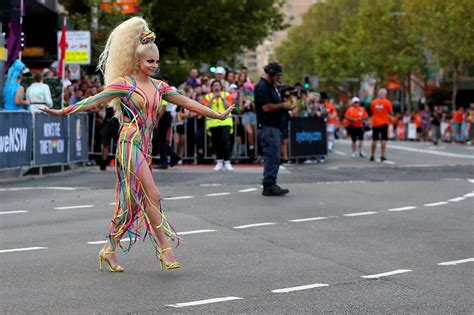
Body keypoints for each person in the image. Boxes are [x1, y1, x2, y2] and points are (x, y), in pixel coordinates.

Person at [41, 17, 233, 272]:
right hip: (129, 142)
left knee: (132, 205)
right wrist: (64, 110)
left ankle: (109, 249)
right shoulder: (125, 84)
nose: (154, 65)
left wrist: (217, 114)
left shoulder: (160, 87)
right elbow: (94, 100)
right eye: (149, 61)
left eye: (156, 61)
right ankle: (166, 250)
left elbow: (188, 102)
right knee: (153, 194)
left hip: (146, 146)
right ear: (137, 61)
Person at [255, 61, 291, 196]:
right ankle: (269, 184)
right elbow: (266, 107)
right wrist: (282, 106)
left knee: (275, 156)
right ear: (270, 74)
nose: (279, 78)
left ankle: (271, 182)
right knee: (272, 155)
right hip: (268, 127)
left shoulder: (270, 86)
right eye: (277, 75)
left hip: (273, 127)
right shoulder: (262, 87)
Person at [204, 80, 235, 171]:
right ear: (212, 87)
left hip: (225, 122)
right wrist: (213, 98)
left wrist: (221, 98)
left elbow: (228, 107)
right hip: (213, 123)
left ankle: (227, 162)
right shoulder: (208, 96)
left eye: (218, 86)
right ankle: (219, 162)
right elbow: (206, 108)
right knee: (217, 143)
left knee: (225, 141)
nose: (216, 87)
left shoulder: (226, 95)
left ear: (221, 87)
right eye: (214, 86)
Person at [369, 88, 393, 161]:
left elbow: (371, 111)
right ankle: (382, 155)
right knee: (383, 139)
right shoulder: (387, 102)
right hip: (384, 123)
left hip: (375, 123)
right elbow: (391, 112)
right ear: (385, 94)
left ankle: (372, 155)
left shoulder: (373, 102)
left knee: (374, 139)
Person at [239, 82, 257, 159]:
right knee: (250, 132)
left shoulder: (253, 96)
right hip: (245, 116)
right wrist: (245, 104)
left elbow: (256, 110)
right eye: (246, 88)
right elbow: (240, 110)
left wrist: (252, 103)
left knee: (255, 134)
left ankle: (254, 151)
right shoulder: (242, 97)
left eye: (248, 89)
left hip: (253, 115)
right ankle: (251, 148)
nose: (247, 90)